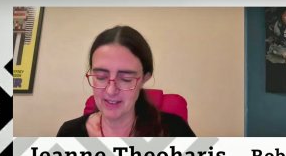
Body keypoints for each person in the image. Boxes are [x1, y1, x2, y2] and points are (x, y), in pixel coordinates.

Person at [57, 25, 195, 137]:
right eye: (100, 77)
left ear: (145, 78)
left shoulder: (176, 132)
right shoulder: (69, 134)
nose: (111, 90)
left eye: (126, 79)